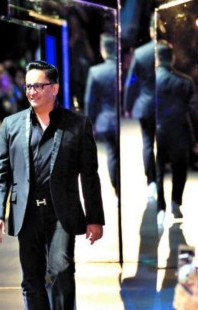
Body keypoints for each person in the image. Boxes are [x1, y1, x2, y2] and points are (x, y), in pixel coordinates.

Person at [0, 60, 105, 310]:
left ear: (54, 88)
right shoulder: (11, 125)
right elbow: (1, 173)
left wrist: (95, 218)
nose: (32, 91)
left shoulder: (77, 124)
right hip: (25, 212)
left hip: (61, 212)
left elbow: (89, 175)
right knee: (31, 278)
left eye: (38, 85)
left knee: (62, 271)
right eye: (28, 86)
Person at [155, 40, 198, 224]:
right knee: (179, 169)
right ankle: (176, 202)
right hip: (179, 131)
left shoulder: (150, 81)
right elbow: (194, 111)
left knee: (158, 170)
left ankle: (160, 205)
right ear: (173, 58)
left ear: (157, 58)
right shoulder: (185, 81)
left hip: (157, 131)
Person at [123, 16, 157, 198]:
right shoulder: (170, 51)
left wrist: (127, 105)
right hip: (168, 105)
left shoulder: (141, 53)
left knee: (148, 143)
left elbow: (131, 82)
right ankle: (161, 175)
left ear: (151, 31)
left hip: (146, 105)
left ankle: (151, 181)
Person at [84, 33, 119, 197]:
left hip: (105, 121)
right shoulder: (123, 69)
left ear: (103, 50)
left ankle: (118, 192)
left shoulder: (96, 72)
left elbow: (89, 101)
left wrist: (89, 125)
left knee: (112, 155)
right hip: (126, 121)